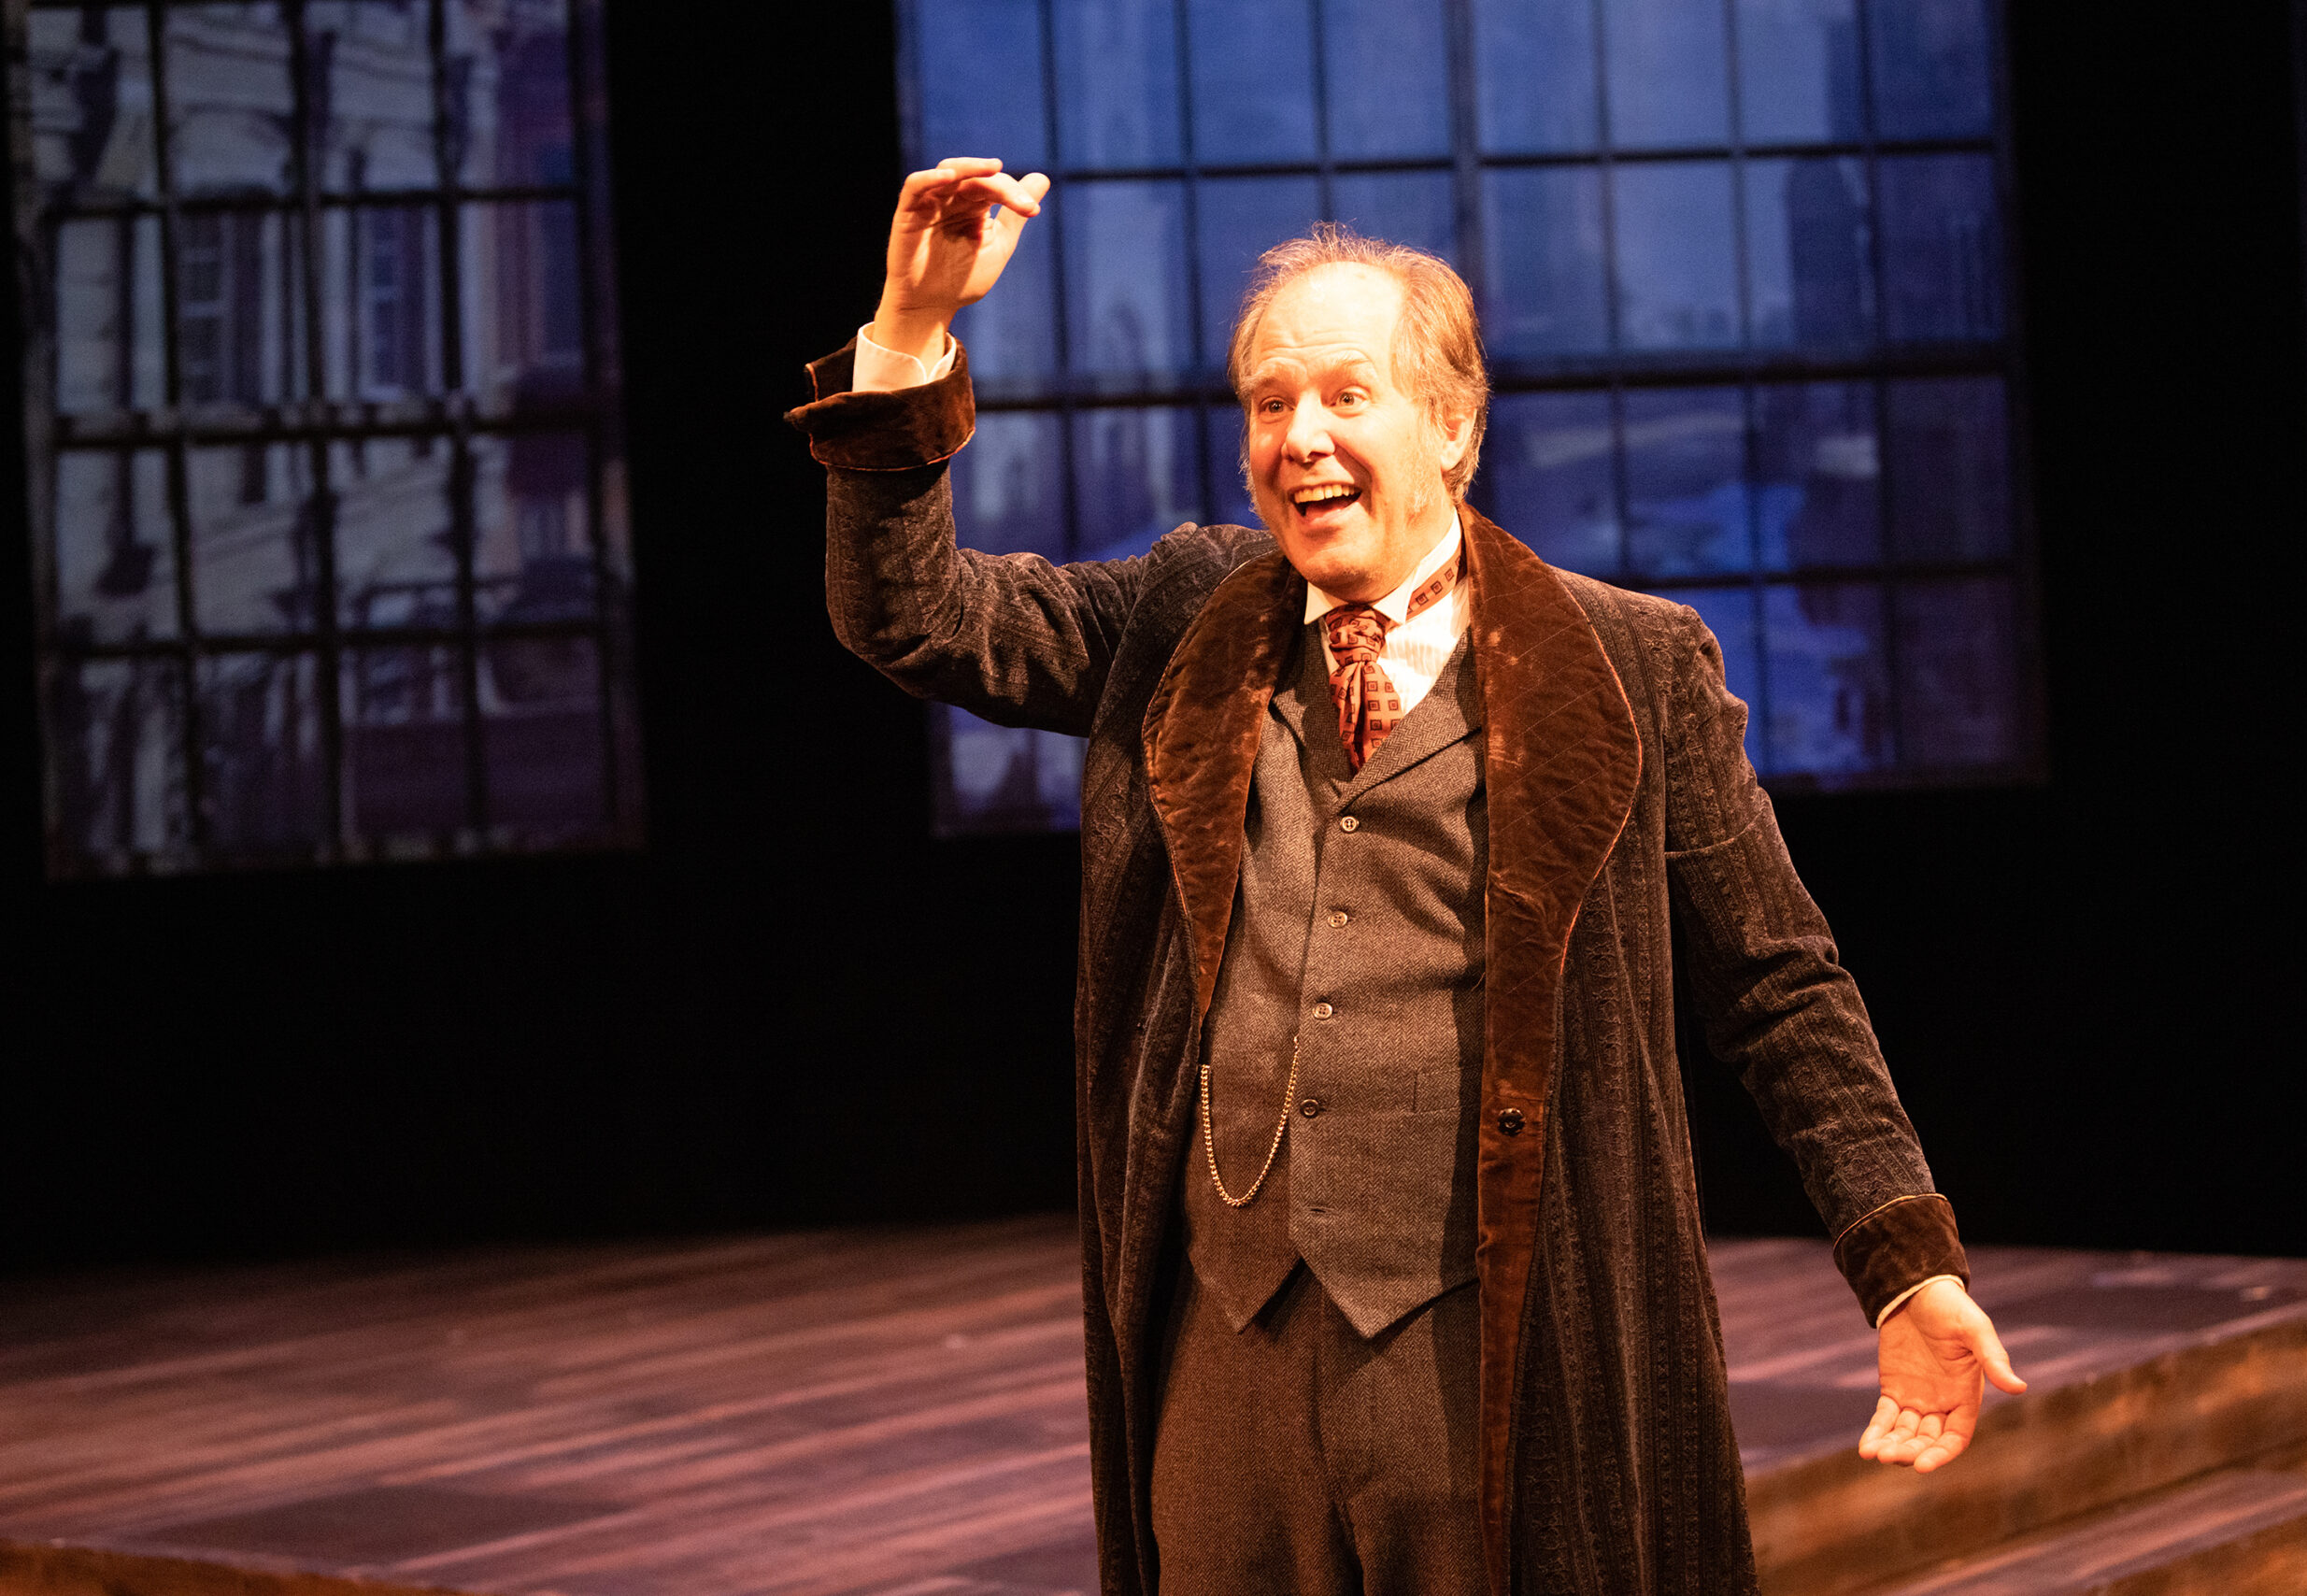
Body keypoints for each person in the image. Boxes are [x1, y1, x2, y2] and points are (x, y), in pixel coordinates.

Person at [790, 156, 2028, 1596]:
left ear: (1452, 424)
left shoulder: (1629, 666)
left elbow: (1778, 987)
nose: (1300, 436)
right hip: (1226, 1358)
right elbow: (916, 619)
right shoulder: (1184, 619)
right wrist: (909, 331)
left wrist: (1904, 1259)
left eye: (1345, 394)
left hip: (1485, 1353)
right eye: (1269, 405)